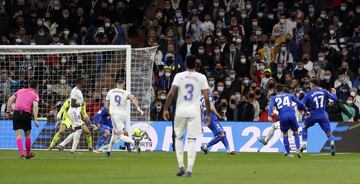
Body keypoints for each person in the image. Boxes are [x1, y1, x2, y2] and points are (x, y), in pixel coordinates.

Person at [163, 55, 211, 177]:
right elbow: (206, 97)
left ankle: (181, 166)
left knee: (178, 138)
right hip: (194, 112)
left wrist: (165, 109)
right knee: (191, 140)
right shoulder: (202, 77)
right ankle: (190, 169)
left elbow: (171, 94)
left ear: (185, 64)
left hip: (180, 111)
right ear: (196, 65)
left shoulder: (179, 76)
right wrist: (208, 114)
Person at [105, 79, 143, 156]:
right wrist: (138, 108)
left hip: (115, 114)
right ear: (123, 84)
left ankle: (133, 142)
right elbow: (133, 99)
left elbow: (106, 105)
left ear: (116, 84)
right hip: (123, 115)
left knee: (120, 135)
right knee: (114, 133)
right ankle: (108, 151)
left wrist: (109, 113)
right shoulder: (126, 92)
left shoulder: (110, 92)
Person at [267, 84, 305, 158]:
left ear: (275, 90)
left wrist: (269, 115)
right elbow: (300, 103)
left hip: (283, 117)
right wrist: (305, 110)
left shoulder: (274, 98)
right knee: (295, 133)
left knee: (284, 134)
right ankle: (297, 149)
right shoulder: (290, 96)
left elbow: (271, 107)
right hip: (293, 117)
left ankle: (288, 152)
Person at [301, 80, 337, 156]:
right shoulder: (324, 91)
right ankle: (332, 142)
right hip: (323, 115)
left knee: (304, 127)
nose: (309, 86)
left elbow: (301, 104)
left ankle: (304, 144)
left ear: (313, 84)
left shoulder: (308, 94)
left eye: (310, 84)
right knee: (328, 131)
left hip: (313, 115)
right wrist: (334, 92)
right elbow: (334, 98)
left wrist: (305, 111)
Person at [6, 81, 39, 159]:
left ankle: (22, 154)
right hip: (26, 114)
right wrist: (35, 119)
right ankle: (27, 154)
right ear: (36, 88)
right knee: (27, 135)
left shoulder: (20, 91)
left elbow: (10, 100)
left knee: (18, 135)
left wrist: (8, 112)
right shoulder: (35, 95)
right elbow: (35, 106)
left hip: (17, 113)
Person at [66, 77, 93, 153]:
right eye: (84, 82)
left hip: (75, 113)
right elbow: (72, 104)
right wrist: (81, 104)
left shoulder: (79, 91)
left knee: (78, 130)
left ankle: (68, 147)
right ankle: (73, 149)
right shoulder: (75, 91)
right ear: (80, 82)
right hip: (73, 112)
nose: (85, 83)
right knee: (79, 130)